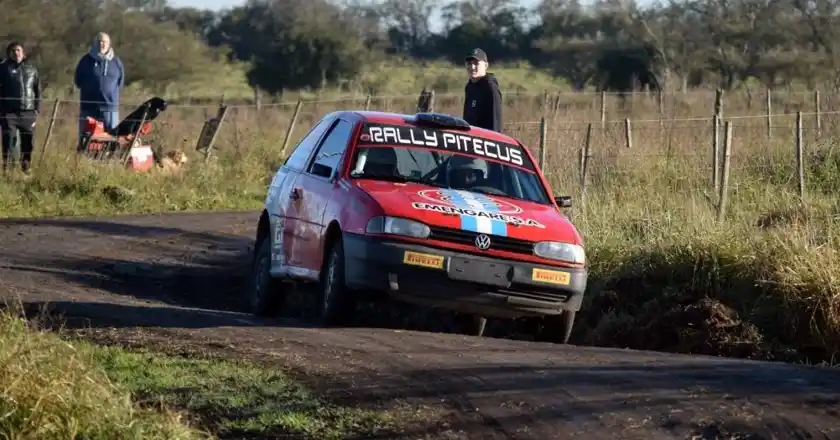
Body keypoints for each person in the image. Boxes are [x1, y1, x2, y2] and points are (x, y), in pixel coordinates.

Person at [74, 32, 124, 145]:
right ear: (94, 44)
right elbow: (78, 81)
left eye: (105, 42)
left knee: (112, 141)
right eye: (99, 42)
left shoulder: (116, 62)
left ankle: (108, 162)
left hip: (110, 109)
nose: (102, 44)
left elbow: (120, 83)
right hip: (89, 108)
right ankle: (85, 161)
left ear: (109, 44)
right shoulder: (85, 61)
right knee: (87, 141)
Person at [0, 42, 41, 174]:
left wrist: (37, 110)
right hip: (9, 113)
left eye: (18, 50)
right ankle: (9, 172)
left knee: (28, 143)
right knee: (9, 144)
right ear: (9, 53)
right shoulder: (3, 69)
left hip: (28, 113)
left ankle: (26, 170)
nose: (16, 53)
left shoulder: (32, 69)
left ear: (23, 53)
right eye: (13, 51)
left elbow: (38, 91)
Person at [462, 48, 502, 132]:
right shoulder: (469, 86)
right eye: (469, 63)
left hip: (486, 141)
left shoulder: (490, 87)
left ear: (486, 66)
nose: (472, 67)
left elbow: (495, 123)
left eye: (476, 63)